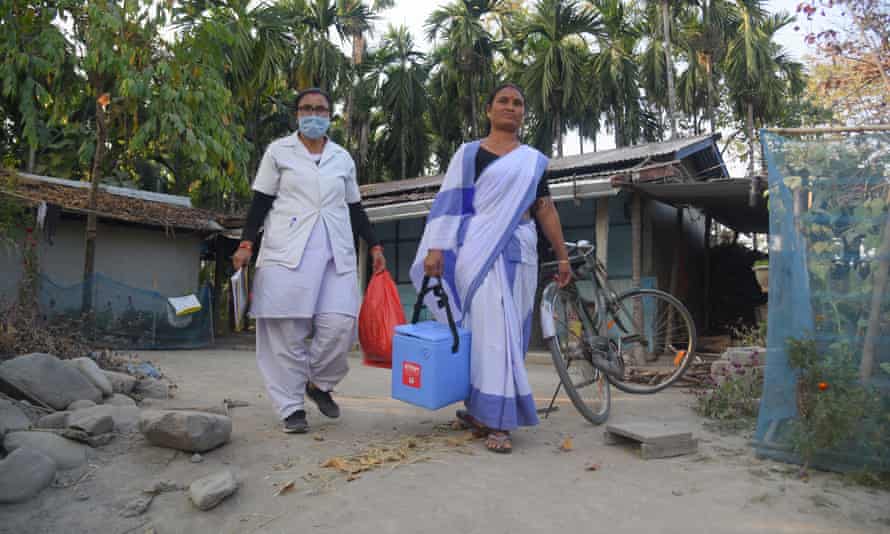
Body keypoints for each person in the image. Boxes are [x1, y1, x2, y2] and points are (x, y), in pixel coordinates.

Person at [410, 83, 572, 453]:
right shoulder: (468, 155)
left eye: (518, 103)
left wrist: (562, 256)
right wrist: (435, 249)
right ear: (488, 110)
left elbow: (545, 208)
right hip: (476, 251)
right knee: (488, 331)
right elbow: (451, 204)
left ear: (523, 114)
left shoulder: (531, 161)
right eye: (503, 101)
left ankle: (484, 409)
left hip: (521, 250)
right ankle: (499, 420)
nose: (511, 107)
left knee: (509, 332)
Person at [233, 88, 386, 434]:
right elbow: (260, 201)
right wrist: (246, 243)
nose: (312, 114)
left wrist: (374, 246)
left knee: (340, 324)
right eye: (306, 108)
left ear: (330, 115)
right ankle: (290, 407)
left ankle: (318, 383)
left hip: (335, 251)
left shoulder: (342, 158)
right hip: (287, 250)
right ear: (296, 114)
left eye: (319, 109)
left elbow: (354, 208)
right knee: (286, 332)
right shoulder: (278, 152)